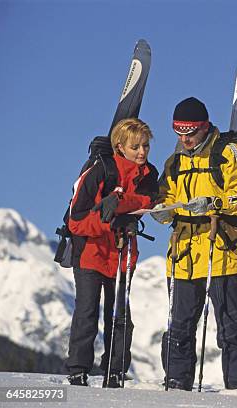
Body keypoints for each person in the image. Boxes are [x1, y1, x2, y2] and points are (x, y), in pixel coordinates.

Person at [151, 97, 237, 391]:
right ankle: (175, 382)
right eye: (178, 133)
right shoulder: (174, 162)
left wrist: (215, 203)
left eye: (190, 132)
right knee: (179, 325)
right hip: (183, 253)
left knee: (230, 324)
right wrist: (160, 210)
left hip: (221, 249)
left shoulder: (227, 153)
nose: (184, 139)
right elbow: (164, 198)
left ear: (204, 126)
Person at [65, 118, 159, 387]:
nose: (142, 152)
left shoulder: (148, 174)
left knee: (121, 316)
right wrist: (108, 220)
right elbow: (76, 221)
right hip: (91, 253)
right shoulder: (100, 171)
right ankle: (78, 370)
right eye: (136, 147)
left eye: (146, 146)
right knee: (86, 313)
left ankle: (115, 370)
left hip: (123, 253)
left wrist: (119, 203)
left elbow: (150, 201)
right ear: (120, 147)